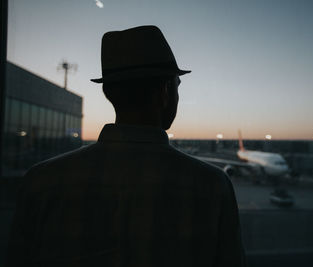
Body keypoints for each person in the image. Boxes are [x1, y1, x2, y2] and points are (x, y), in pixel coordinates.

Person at [6, 25, 246, 267]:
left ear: (107, 92)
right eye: (176, 86)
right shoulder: (213, 185)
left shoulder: (40, 181)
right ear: (165, 91)